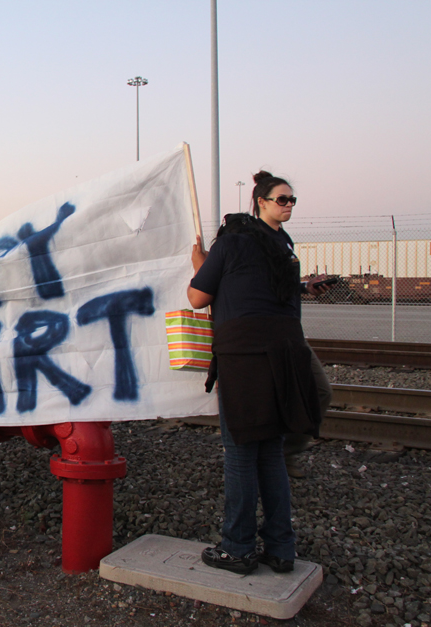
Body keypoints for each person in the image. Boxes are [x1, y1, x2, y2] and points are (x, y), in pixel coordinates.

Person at [188, 171, 329, 575]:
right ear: (262, 203)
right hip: (286, 353)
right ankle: (282, 549)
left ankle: (237, 548)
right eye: (283, 199)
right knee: (270, 453)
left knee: (240, 453)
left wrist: (201, 266)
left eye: (290, 200)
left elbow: (198, 298)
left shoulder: (231, 243)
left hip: (246, 356)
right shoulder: (283, 247)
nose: (288, 205)